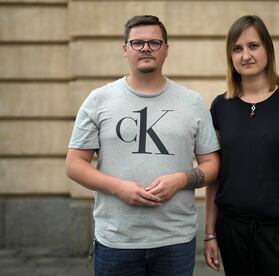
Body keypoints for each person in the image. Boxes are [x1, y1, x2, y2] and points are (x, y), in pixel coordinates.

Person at [65, 15, 220, 276]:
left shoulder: (192, 102)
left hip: (175, 241)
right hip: (116, 241)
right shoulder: (99, 100)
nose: (146, 48)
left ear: (166, 49)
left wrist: (181, 179)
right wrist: (119, 187)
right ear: (125, 49)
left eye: (154, 42)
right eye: (137, 43)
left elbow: (213, 164)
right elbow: (74, 164)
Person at [204, 15, 279, 276]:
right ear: (230, 57)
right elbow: (215, 176)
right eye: (237, 49)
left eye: (253, 46)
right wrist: (210, 233)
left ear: (268, 49)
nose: (245, 55)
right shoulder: (220, 106)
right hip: (232, 232)